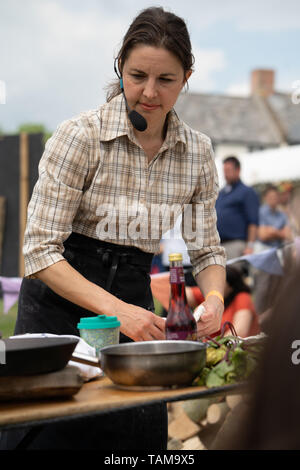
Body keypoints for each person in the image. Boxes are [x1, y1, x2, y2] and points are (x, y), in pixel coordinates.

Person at [6, 7, 226, 450]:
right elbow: (39, 251)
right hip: (59, 312)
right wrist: (118, 312)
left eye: (165, 80)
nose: (149, 92)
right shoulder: (79, 135)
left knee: (133, 442)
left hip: (135, 305)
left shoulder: (197, 152)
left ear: (186, 77)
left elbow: (207, 251)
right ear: (119, 68)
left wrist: (216, 300)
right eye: (137, 75)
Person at [186, 265, 260, 338]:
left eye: (219, 282)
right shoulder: (211, 294)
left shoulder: (243, 297)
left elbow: (239, 331)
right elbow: (182, 293)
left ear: (231, 287)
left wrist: (218, 346)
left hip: (231, 347)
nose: (213, 285)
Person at [254, 185, 291, 315]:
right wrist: (278, 232)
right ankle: (258, 317)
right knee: (262, 286)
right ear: (265, 198)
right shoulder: (261, 212)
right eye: (270, 197)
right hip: (263, 252)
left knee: (277, 287)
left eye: (275, 197)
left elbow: (287, 234)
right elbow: (262, 234)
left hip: (278, 253)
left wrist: (272, 231)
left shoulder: (282, 214)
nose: (273, 199)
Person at [216, 156, 259, 260]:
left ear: (238, 170)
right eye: (224, 171)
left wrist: (250, 246)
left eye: (228, 170)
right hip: (219, 245)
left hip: (236, 244)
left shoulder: (247, 192)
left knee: (232, 275)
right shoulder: (221, 193)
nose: (225, 174)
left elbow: (253, 222)